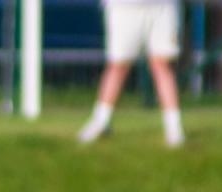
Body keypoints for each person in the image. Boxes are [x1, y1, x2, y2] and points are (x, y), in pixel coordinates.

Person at [77, 0, 186, 146]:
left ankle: (174, 128)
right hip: (123, 7)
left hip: (163, 6)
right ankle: (101, 121)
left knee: (162, 65)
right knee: (118, 65)